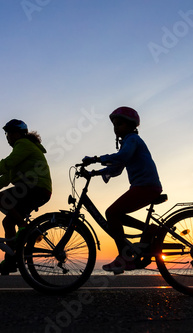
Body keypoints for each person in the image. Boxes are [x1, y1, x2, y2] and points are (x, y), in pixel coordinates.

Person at [82, 106, 162, 274]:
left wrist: (96, 159)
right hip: (145, 186)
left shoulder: (132, 139)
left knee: (111, 213)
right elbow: (117, 168)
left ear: (131, 125)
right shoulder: (129, 142)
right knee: (117, 214)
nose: (116, 127)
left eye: (120, 124)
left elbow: (122, 157)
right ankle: (149, 230)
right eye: (114, 124)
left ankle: (124, 257)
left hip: (145, 186)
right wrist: (94, 172)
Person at [0, 119, 52, 274]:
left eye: (10, 132)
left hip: (36, 188)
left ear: (20, 133)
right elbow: (5, 178)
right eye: (6, 133)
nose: (8, 136)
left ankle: (27, 229)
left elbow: (6, 164)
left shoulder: (23, 145)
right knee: (8, 222)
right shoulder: (20, 152)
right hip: (32, 189)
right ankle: (10, 261)